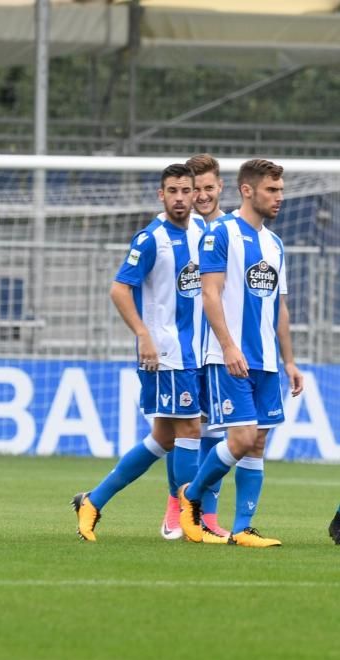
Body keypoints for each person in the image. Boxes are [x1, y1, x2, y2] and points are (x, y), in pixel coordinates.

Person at [73, 164, 205, 542]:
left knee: (164, 437)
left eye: (186, 190)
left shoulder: (203, 233)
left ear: (195, 195)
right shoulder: (151, 239)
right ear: (161, 195)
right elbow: (119, 289)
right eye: (173, 191)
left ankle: (94, 501)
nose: (180, 198)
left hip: (193, 351)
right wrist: (143, 334)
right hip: (165, 352)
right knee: (190, 428)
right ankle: (188, 517)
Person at [178, 159, 303, 548]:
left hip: (266, 359)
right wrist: (229, 345)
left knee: (259, 442)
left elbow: (279, 307)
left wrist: (289, 360)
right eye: (272, 190)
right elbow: (209, 293)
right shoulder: (220, 233)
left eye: (280, 190)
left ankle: (243, 529)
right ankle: (191, 495)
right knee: (242, 437)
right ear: (247, 190)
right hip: (229, 356)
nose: (279, 197)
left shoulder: (275, 243)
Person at [156, 153, 232, 541]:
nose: (200, 196)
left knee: (216, 436)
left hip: (219, 350)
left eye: (206, 188)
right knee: (180, 433)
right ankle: (176, 505)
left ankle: (209, 514)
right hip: (185, 350)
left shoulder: (232, 231)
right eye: (193, 188)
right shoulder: (178, 231)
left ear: (220, 187)